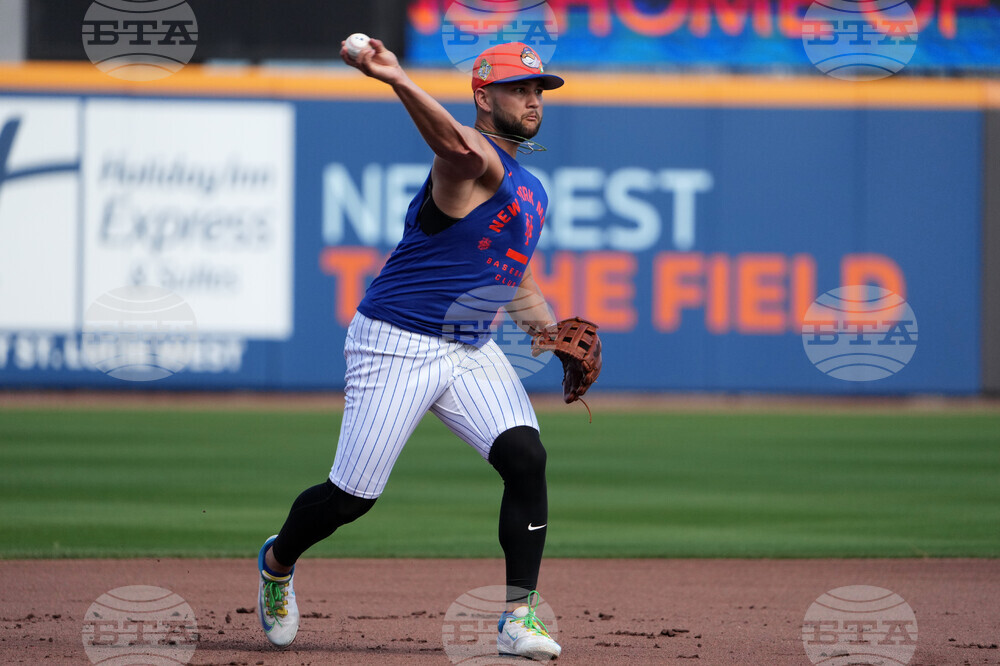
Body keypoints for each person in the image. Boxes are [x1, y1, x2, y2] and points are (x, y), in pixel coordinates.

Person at [256, 39, 565, 660]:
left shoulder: (531, 188)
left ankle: (517, 618)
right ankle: (276, 562)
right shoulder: (466, 165)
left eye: (537, 90)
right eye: (518, 89)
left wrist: (550, 333)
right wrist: (395, 77)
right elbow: (454, 146)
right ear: (483, 97)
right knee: (350, 499)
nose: (532, 99)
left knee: (527, 458)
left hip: (470, 348)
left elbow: (516, 276)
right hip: (396, 342)